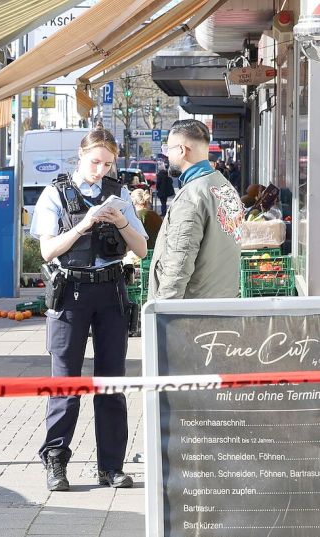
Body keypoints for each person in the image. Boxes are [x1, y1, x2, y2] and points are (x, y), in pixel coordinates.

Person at [29, 128, 148, 492]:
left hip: (111, 291)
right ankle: (56, 462)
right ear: (80, 157)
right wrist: (84, 224)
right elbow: (48, 252)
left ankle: (111, 466)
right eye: (95, 162)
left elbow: (141, 248)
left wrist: (121, 220)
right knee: (65, 382)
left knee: (111, 383)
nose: (100, 170)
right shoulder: (56, 193)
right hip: (72, 292)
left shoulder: (119, 193)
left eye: (108, 164)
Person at [149, 119, 242, 300]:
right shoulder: (224, 186)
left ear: (182, 150)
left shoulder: (191, 197)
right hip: (221, 303)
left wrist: (162, 313)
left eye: (168, 150)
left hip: (192, 313)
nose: (167, 156)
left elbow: (178, 264)